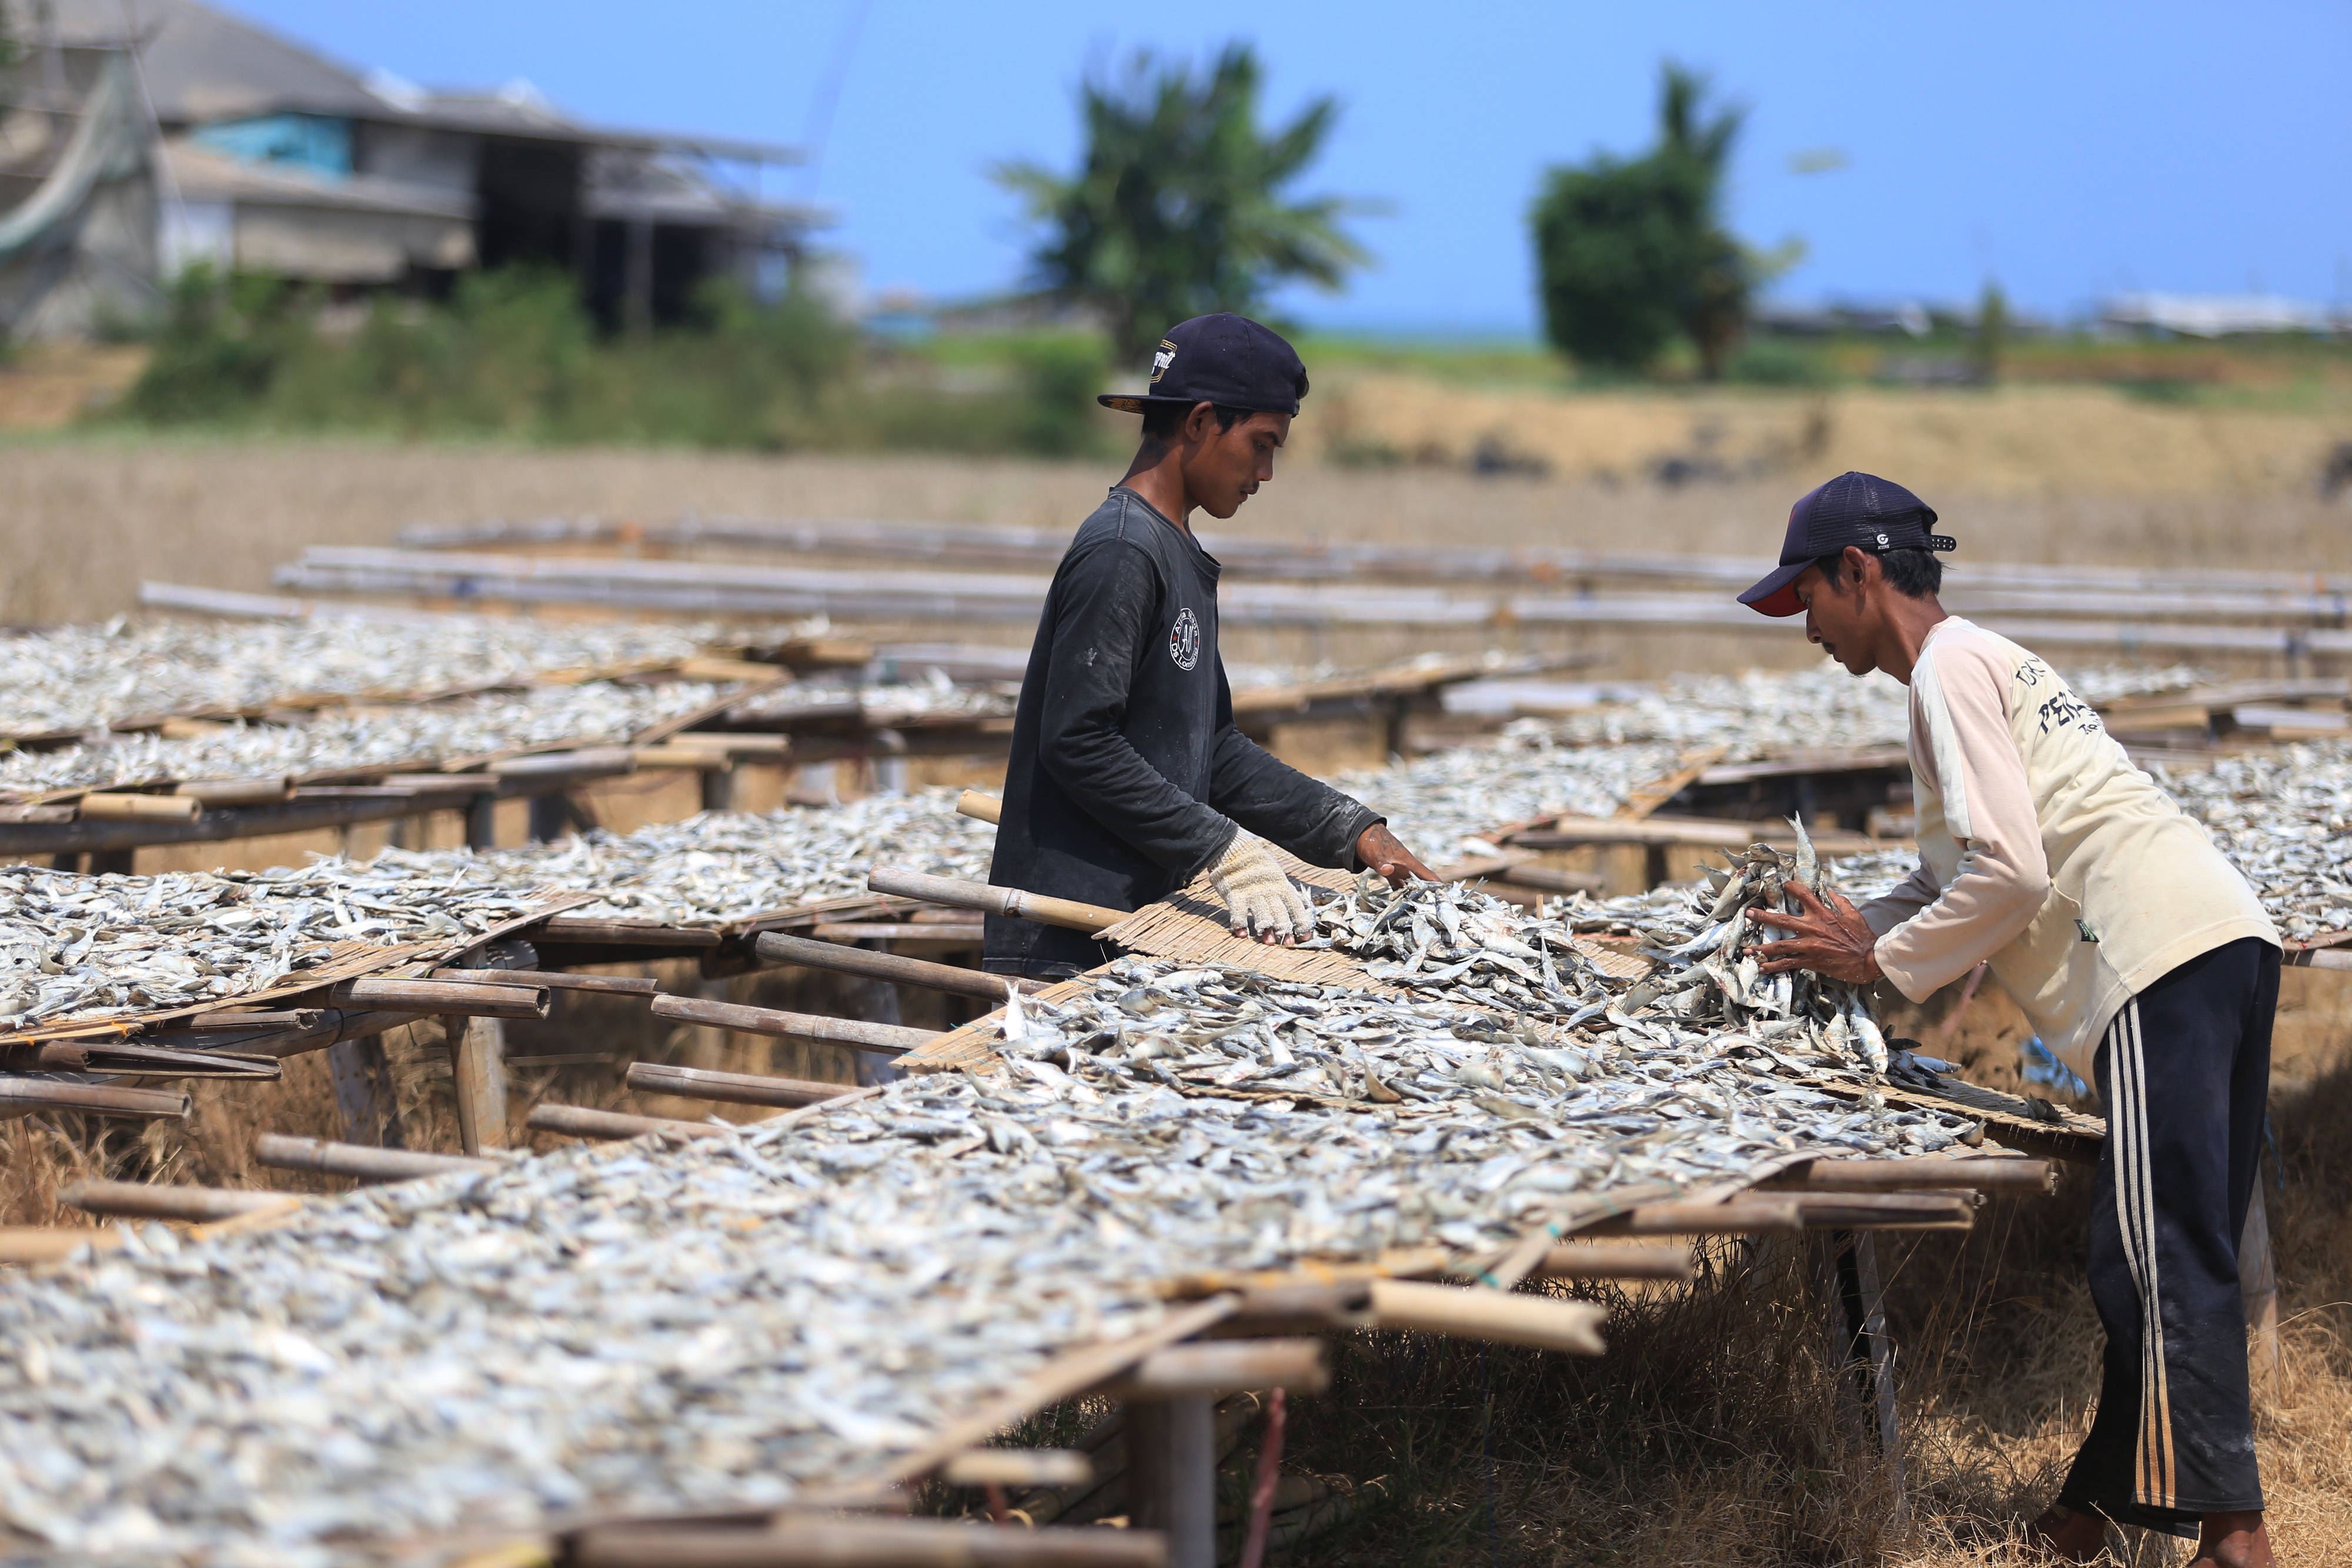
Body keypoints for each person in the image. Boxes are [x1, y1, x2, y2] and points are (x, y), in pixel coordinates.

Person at [1735, 472, 2279, 1568]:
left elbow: (2014, 872)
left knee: (2158, 1257)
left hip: (2152, 960)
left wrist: (1880, 958)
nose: (1810, 632)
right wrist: (1861, 919)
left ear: (1861, 571)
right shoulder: (1978, 657)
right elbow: (1972, 870)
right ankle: (2086, 1515)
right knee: (2169, 1246)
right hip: (2221, 940)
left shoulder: (1943, 673)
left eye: (1811, 600)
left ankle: (2237, 1536)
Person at [984, 313, 1434, 980]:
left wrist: (1352, 831)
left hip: (1140, 927)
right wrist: (1223, 849)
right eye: (1259, 443)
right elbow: (1078, 741)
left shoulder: (1175, 553)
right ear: (1198, 423)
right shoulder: (1120, 551)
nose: (1267, 471)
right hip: (1071, 938)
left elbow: (1212, 750)